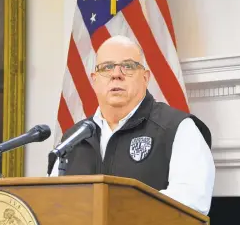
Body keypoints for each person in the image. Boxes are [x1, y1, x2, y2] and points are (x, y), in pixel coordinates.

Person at [54, 35, 215, 215]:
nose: (116, 74)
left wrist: (114, 211)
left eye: (128, 66)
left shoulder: (178, 128)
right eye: (107, 67)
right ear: (94, 80)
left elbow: (191, 202)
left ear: (145, 78)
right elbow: (51, 205)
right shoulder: (73, 139)